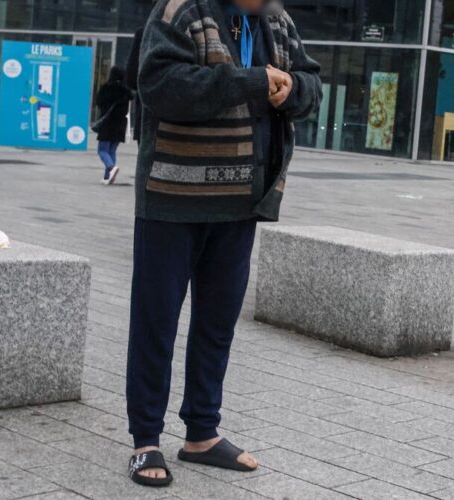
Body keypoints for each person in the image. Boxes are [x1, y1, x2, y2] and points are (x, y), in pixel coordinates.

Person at [125, 0, 321, 488]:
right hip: (173, 197)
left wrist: (291, 89)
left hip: (241, 204)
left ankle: (202, 434)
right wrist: (254, 81)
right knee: (156, 322)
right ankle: (145, 439)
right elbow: (160, 88)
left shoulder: (276, 19)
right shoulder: (181, 12)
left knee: (216, 325)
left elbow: (313, 85)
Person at [94, 66, 133, 185]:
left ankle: (111, 168)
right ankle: (108, 177)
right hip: (120, 125)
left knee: (102, 150)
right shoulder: (126, 91)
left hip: (107, 124)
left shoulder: (106, 88)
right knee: (111, 151)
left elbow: (98, 102)